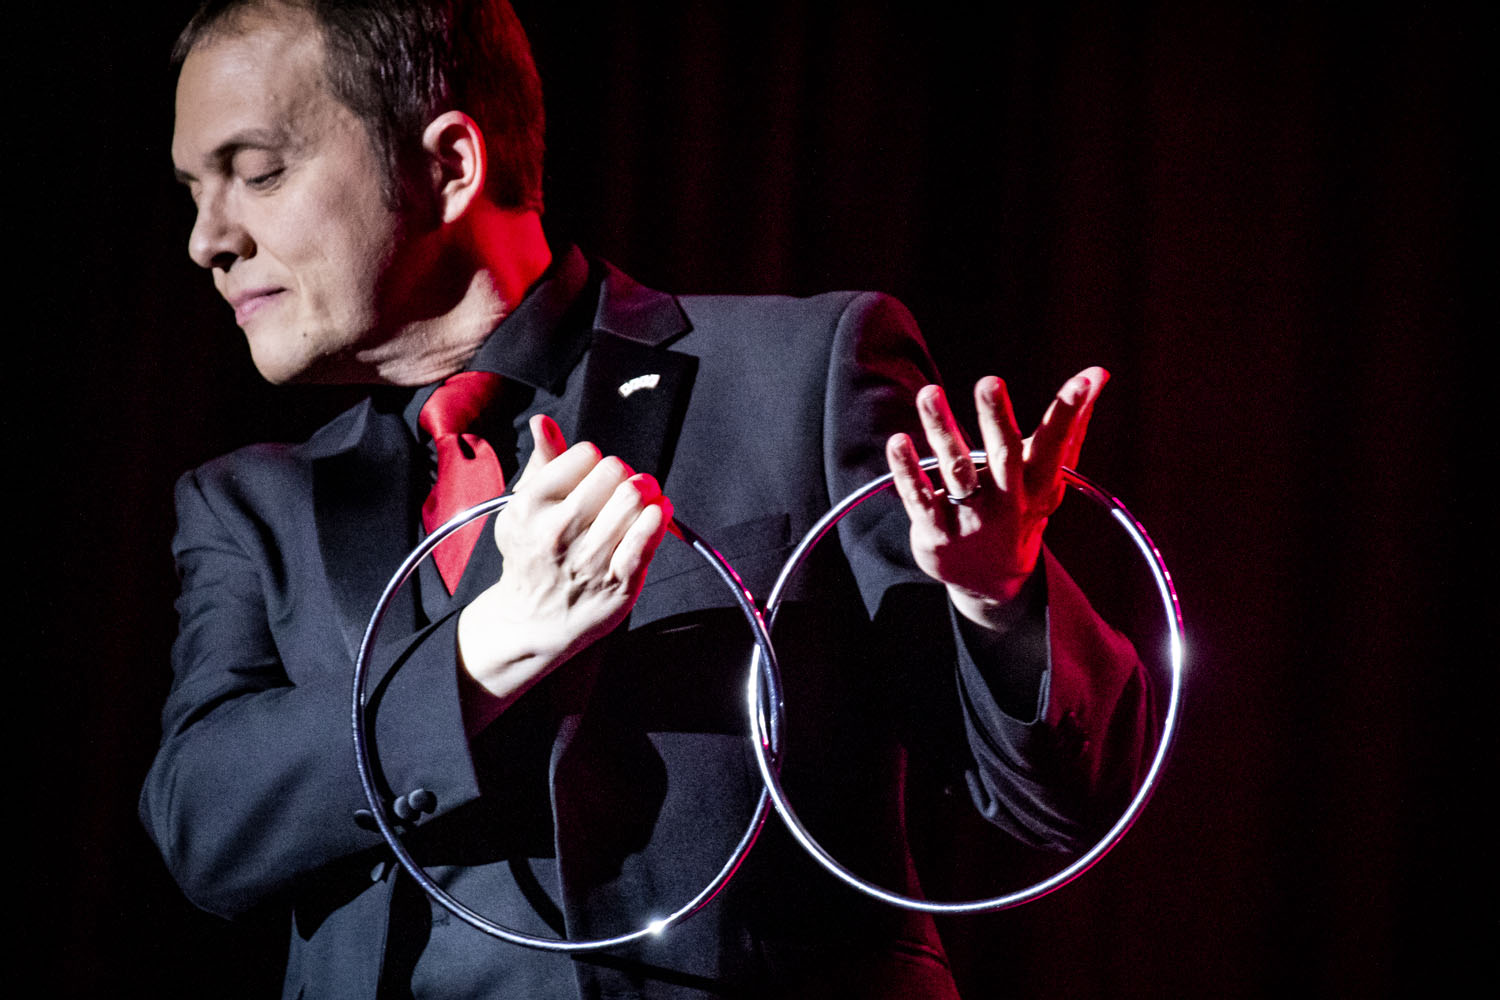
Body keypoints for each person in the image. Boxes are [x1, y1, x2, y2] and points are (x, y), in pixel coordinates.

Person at [141, 1, 1154, 996]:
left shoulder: (798, 378)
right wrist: (479, 653)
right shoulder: (248, 506)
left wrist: (998, 600)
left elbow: (1060, 804)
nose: (206, 239)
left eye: (258, 172)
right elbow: (204, 830)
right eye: (195, 190)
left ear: (451, 165)